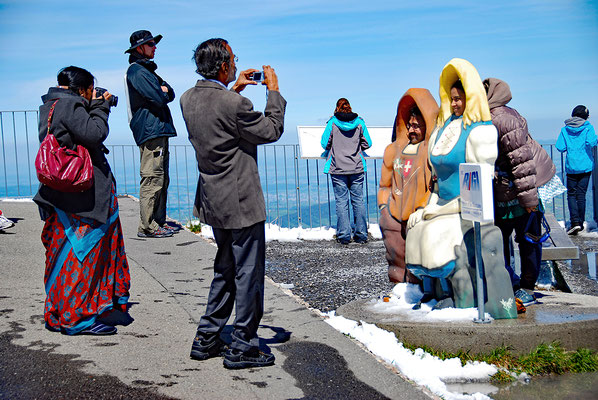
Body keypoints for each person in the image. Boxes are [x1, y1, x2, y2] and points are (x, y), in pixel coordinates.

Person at [180, 38, 286, 369]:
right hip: (240, 200)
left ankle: (207, 336)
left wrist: (235, 88)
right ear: (224, 65)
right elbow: (270, 130)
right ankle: (243, 344)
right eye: (233, 60)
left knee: (225, 268)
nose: (237, 65)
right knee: (248, 272)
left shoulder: (186, 99)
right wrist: (273, 92)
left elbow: (221, 120)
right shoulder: (234, 105)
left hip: (213, 199)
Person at [405, 59, 515, 318]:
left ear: (471, 98)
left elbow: (478, 188)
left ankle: (463, 302)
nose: (455, 104)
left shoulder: (480, 132)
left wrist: (438, 212)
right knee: (417, 227)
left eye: (460, 98)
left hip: (468, 211)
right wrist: (428, 208)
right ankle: (440, 294)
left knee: (435, 235)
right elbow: (437, 182)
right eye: (451, 98)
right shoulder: (443, 130)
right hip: (443, 205)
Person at [33, 66, 130, 335]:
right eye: (90, 90)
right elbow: (95, 134)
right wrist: (101, 107)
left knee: (63, 256)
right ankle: (76, 318)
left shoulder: (50, 105)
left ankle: (58, 312)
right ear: (83, 89)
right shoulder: (71, 105)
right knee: (82, 257)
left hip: (59, 191)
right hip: (80, 196)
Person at [484, 77, 556, 305]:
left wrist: (529, 200)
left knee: (528, 237)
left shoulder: (501, 119)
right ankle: (511, 279)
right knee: (502, 235)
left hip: (523, 185)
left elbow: (522, 164)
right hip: (508, 187)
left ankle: (527, 287)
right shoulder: (494, 116)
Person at [378, 89, 439, 283]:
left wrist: (423, 208)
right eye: (410, 125)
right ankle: (399, 290)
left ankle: (420, 290)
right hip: (394, 215)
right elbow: (384, 184)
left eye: (417, 126)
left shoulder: (430, 151)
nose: (412, 130)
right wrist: (384, 208)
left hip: (419, 216)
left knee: (420, 261)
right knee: (396, 260)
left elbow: (433, 185)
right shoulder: (392, 151)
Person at [125, 30, 177, 238]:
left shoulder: (148, 71)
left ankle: (157, 222)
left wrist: (163, 91)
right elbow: (159, 96)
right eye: (151, 44)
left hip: (157, 128)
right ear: (140, 48)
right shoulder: (137, 71)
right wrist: (161, 91)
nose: (155, 47)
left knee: (161, 178)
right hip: (150, 129)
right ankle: (147, 226)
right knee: (152, 178)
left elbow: (170, 92)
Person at [320, 98, 372, 244]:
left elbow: (325, 143)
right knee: (358, 201)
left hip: (337, 168)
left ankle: (344, 235)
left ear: (337, 108)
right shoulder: (359, 122)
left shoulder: (332, 123)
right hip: (356, 166)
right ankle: (361, 234)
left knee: (341, 201)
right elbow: (368, 143)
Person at [556, 105, 597, 235]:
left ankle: (574, 223)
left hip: (571, 167)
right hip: (585, 166)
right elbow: (592, 142)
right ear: (585, 116)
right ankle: (580, 222)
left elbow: (560, 147)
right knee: (581, 195)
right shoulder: (588, 128)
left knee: (571, 195)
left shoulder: (565, 129)